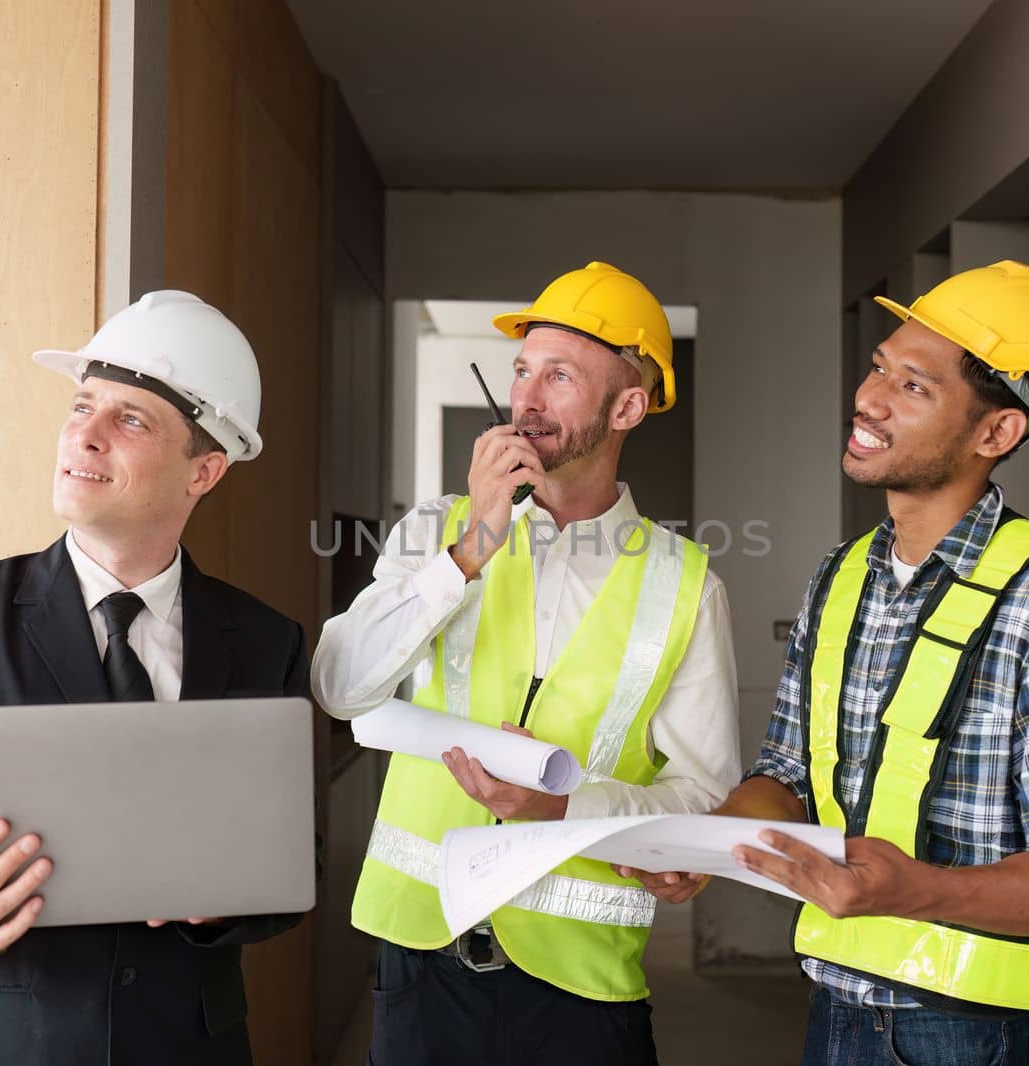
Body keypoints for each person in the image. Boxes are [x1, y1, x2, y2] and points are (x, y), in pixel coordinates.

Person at [625, 262, 1029, 1065]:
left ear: (996, 434)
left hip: (979, 1037)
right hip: (836, 1013)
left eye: (914, 387)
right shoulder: (840, 577)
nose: (869, 399)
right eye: (880, 367)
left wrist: (921, 891)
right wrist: (705, 843)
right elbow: (789, 776)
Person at [0, 290, 310, 1066]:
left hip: (183, 1048)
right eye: (83, 405)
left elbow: (291, 867)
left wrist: (224, 909)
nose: (85, 433)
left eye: (131, 420)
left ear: (205, 471)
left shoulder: (264, 643)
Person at [313, 262, 741, 1065]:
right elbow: (340, 688)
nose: (528, 398)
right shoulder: (437, 532)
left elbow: (700, 798)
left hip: (579, 990)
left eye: (559, 375)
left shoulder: (687, 586)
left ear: (627, 406)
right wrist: (468, 551)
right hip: (421, 966)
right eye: (519, 370)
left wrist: (567, 809)